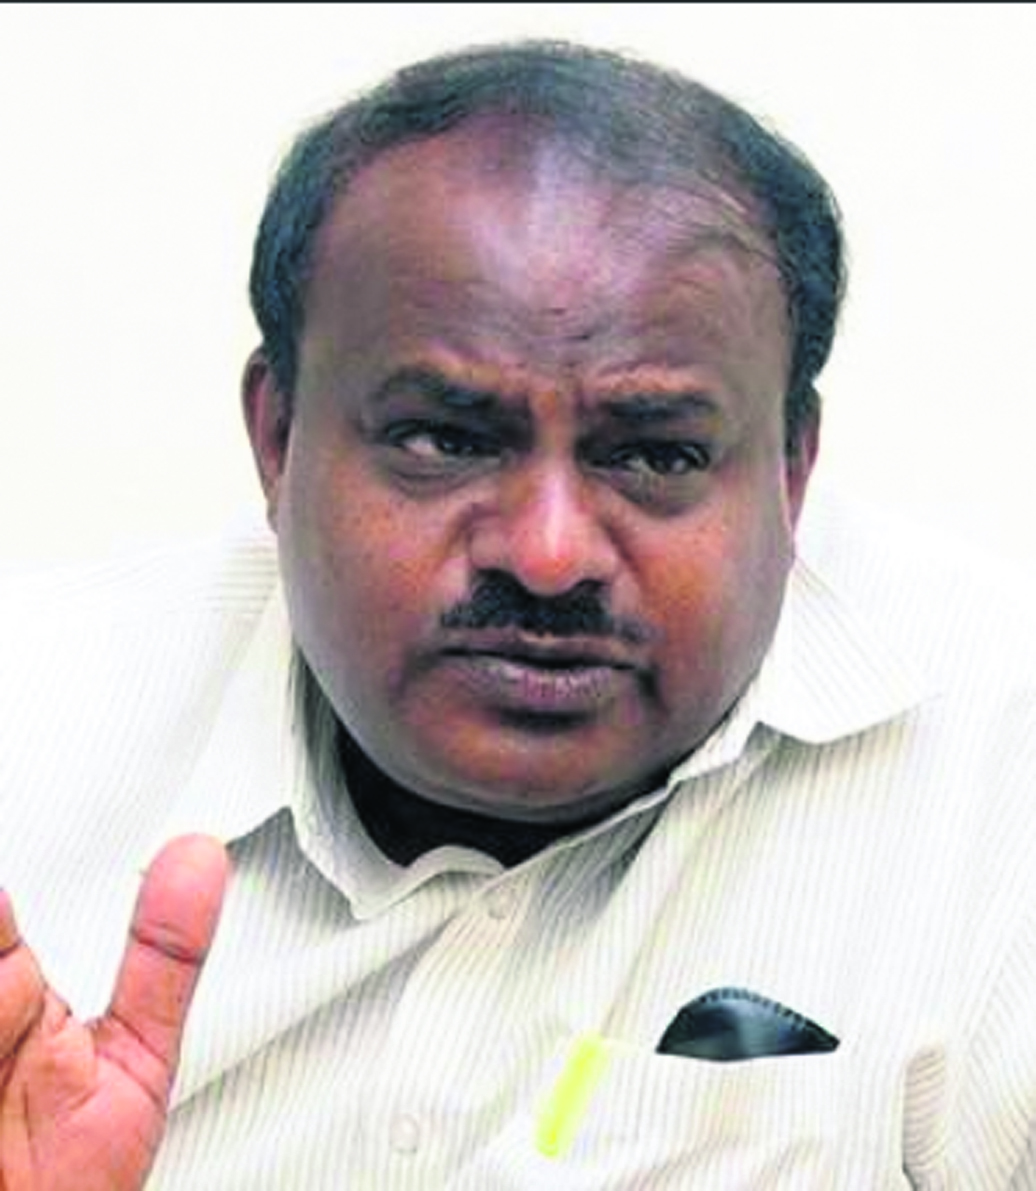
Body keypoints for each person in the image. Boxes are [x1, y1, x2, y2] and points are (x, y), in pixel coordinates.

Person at [2, 39, 1036, 1189]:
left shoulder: (1004, 774)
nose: (548, 556)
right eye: (444, 440)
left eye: (654, 455)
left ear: (792, 469)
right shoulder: (25, 741)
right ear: (277, 438)